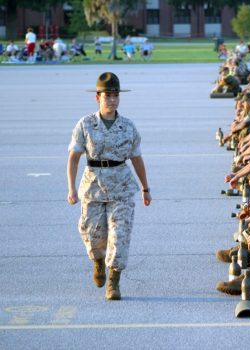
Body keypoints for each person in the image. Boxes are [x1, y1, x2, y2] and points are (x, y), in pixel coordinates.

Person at [67, 72, 152, 300]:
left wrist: (145, 188)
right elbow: (74, 157)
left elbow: (136, 158)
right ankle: (97, 261)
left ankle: (113, 283)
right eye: (108, 95)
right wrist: (71, 188)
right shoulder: (85, 124)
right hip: (92, 186)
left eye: (115, 95)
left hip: (121, 186)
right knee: (92, 235)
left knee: (120, 235)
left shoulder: (128, 126)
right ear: (98, 97)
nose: (112, 100)